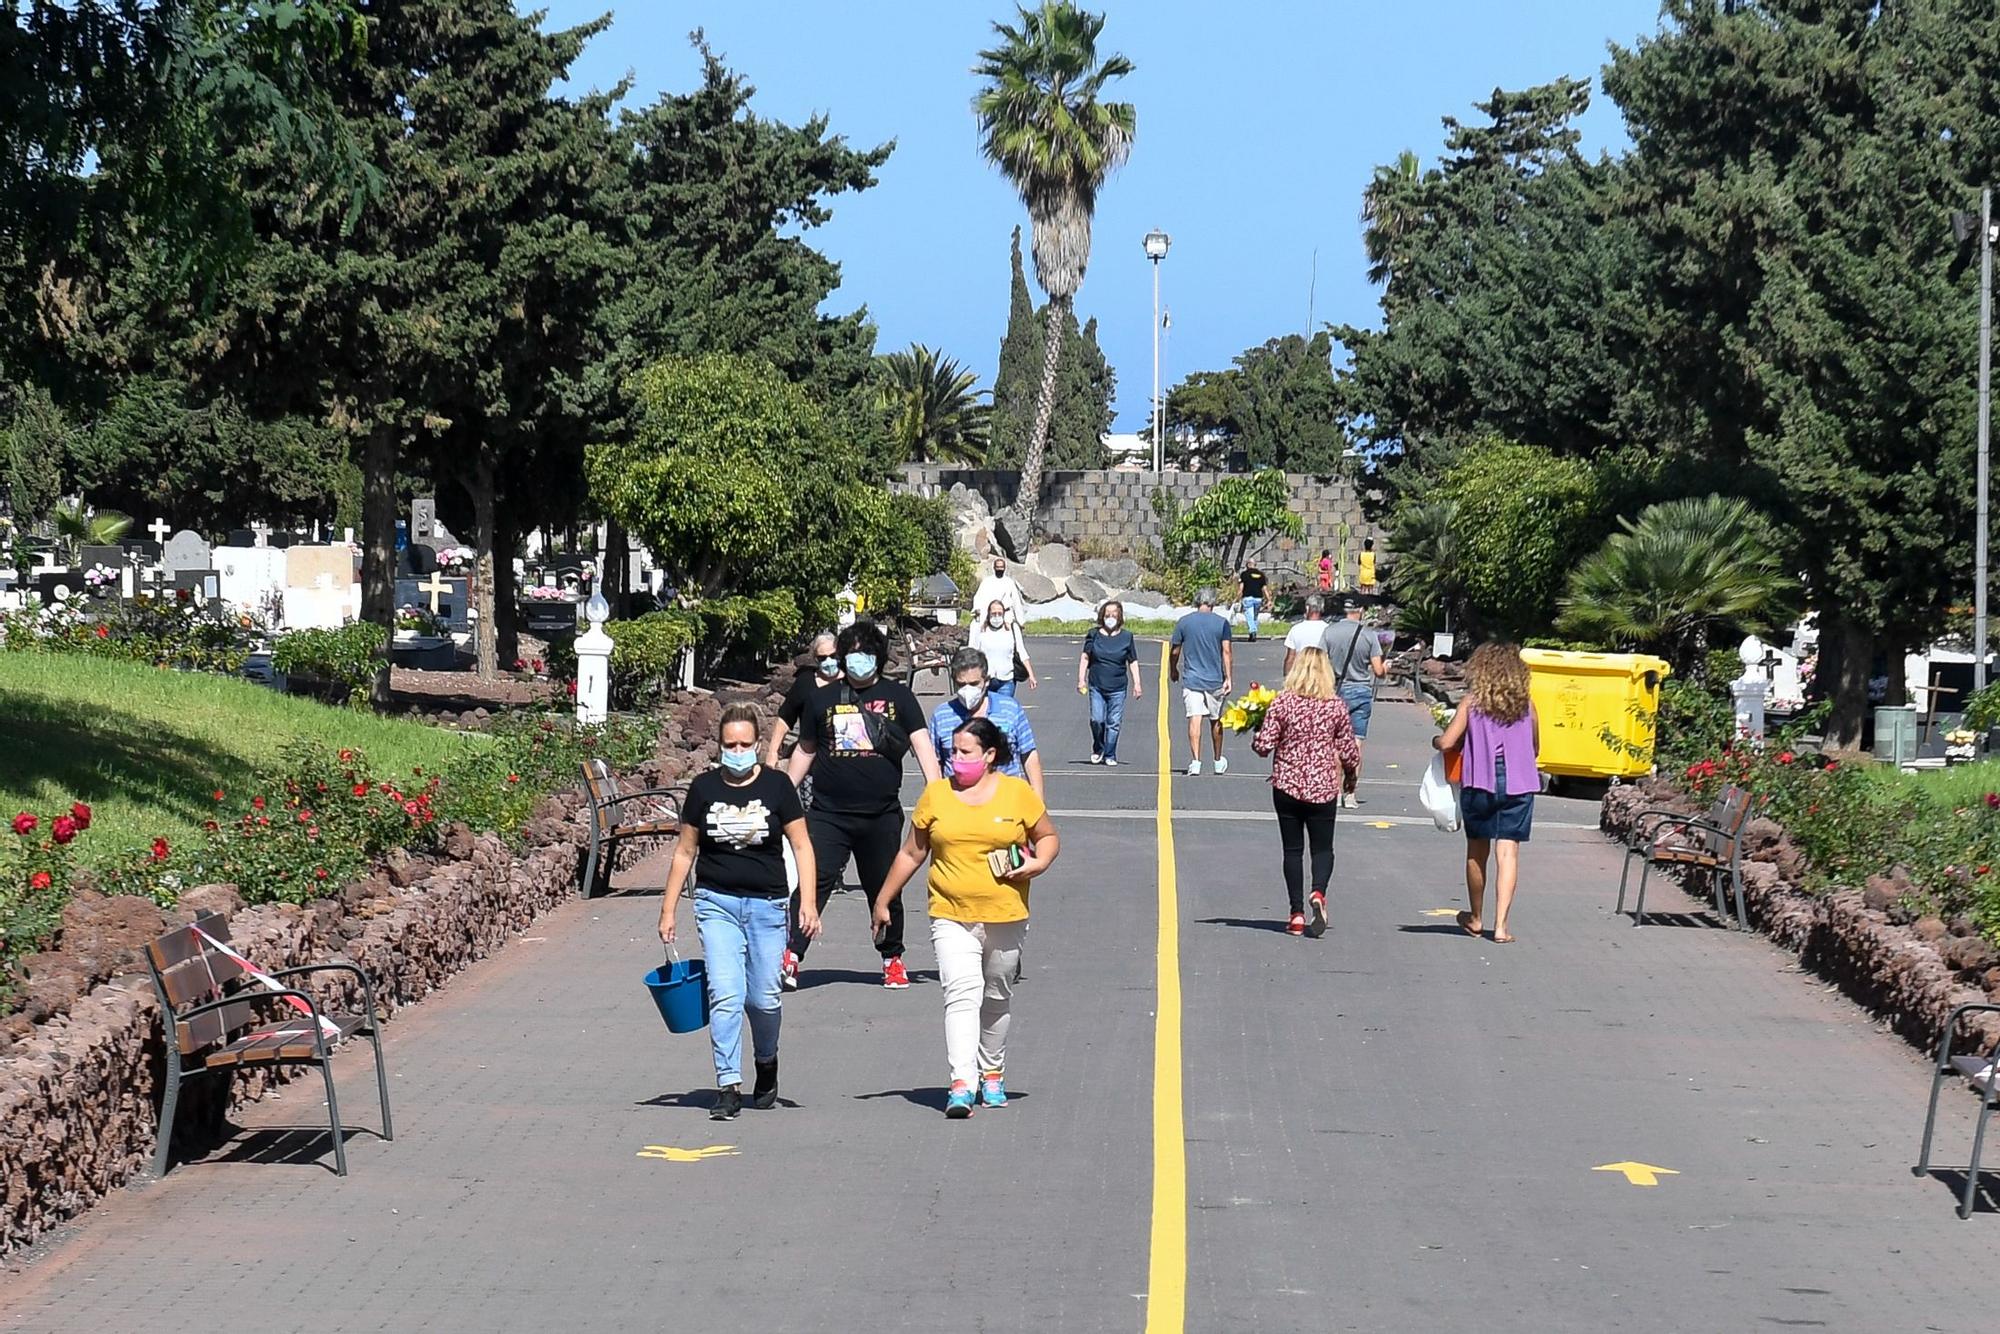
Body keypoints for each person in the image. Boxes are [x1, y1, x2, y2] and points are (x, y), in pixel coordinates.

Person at [874, 717, 1060, 1118]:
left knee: (996, 995)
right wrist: (883, 898)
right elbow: (912, 852)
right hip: (950, 913)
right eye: (952, 752)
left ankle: (992, 1071)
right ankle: (962, 1082)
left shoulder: (1017, 794)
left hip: (1005, 913)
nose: (956, 760)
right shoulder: (936, 796)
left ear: (990, 756)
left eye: (965, 752)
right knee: (961, 993)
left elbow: (1047, 837)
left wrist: (1037, 864)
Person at [660, 704, 820, 1120]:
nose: (737, 750)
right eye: (729, 744)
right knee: (726, 996)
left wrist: (808, 902)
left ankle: (766, 1062)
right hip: (717, 903)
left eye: (745, 744)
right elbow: (684, 852)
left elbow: (802, 846)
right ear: (719, 746)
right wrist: (669, 909)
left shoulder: (778, 787)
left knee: (764, 998)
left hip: (768, 905)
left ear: (757, 744)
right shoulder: (704, 789)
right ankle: (728, 1084)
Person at [786, 619, 940, 989]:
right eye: (852, 653)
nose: (858, 660)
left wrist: (939, 795)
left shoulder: (899, 697)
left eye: (866, 653)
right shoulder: (821, 699)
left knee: (885, 886)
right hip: (827, 813)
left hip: (881, 814)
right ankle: (790, 954)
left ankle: (892, 957)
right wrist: (778, 793)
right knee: (813, 882)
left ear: (879, 657)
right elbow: (806, 749)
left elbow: (922, 746)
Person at [1433, 642, 1540, 944]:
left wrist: (1437, 741)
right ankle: (1502, 926)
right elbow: (1535, 747)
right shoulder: (1527, 705)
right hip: (1519, 782)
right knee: (1508, 853)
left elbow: (1447, 742)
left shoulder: (1472, 702)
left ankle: (1476, 917)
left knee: (1477, 851)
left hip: (1480, 780)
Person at [1251, 647, 1361, 937]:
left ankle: (1296, 913)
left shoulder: (1282, 703)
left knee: (1292, 850)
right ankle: (1319, 892)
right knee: (1323, 849)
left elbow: (1264, 746)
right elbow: (1350, 752)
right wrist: (1350, 778)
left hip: (1287, 784)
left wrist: (1257, 733)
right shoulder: (1336, 706)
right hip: (1322, 786)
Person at [928, 647, 1045, 798]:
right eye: (961, 684)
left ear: (987, 681)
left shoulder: (1010, 709)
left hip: (1006, 800)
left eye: (974, 683)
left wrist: (1037, 801)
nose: (967, 690)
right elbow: (934, 763)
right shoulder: (941, 715)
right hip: (958, 801)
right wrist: (936, 800)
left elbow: (1028, 754)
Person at [1318, 598, 1387, 807]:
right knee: (1356, 743)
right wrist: (1387, 668)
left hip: (1335, 691)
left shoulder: (1329, 632)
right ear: (1361, 611)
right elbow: (1378, 671)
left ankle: (1335, 792)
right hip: (1360, 690)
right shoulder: (1369, 635)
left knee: (1335, 744)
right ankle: (1351, 794)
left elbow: (1319, 663)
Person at [1168, 588, 1233, 776]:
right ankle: (1218, 760)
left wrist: (1173, 669)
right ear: (1213, 602)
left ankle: (1195, 761)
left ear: (1197, 601)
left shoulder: (1184, 622)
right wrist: (1228, 677)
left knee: (1194, 718)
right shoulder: (1222, 623)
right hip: (1214, 679)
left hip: (1192, 679)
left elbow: (1175, 651)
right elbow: (1226, 652)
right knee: (1215, 720)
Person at [1079, 599, 1143, 765]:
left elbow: (1133, 661)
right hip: (1096, 685)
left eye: (1114, 614)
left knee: (1113, 722)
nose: (1111, 617)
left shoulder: (1127, 637)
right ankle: (1098, 747)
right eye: (1107, 614)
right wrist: (1081, 680)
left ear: (1120, 616)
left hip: (1118, 687)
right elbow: (1085, 657)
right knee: (1097, 719)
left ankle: (1110, 754)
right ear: (1102, 616)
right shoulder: (1093, 634)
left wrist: (1137, 683)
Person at [765, 631, 840, 768]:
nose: (829, 661)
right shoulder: (805, 682)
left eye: (833, 656)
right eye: (822, 658)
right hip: (807, 757)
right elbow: (785, 718)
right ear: (815, 659)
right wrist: (772, 752)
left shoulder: (851, 682)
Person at [968, 598, 1037, 696]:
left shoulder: (1012, 629)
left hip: (1006, 680)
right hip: (985, 680)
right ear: (988, 614)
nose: (996, 617)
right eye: (994, 613)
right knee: (987, 709)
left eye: (999, 614)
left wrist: (1031, 675)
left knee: (1005, 709)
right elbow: (972, 653)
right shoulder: (980, 630)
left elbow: (1022, 652)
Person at [969, 557, 1025, 629]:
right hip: (989, 614)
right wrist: (977, 610)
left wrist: (1021, 621)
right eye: (998, 567)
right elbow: (978, 597)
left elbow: (1016, 601)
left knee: (1012, 630)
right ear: (994, 568)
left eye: (1001, 567)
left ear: (1004, 568)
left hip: (1006, 615)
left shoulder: (1009, 582)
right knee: (975, 627)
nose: (999, 569)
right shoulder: (987, 582)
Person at [1283, 595, 1329, 676]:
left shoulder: (1296, 629)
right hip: (1321, 675)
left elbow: (1290, 658)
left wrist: (1287, 679)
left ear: (1307, 608)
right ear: (1322, 609)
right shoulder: (1328, 629)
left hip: (1301, 675)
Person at [1237, 559, 1270, 642]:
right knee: (1254, 617)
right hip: (1258, 598)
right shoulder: (1261, 575)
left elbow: (1241, 588)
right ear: (1255, 564)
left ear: (1248, 565)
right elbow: (1265, 589)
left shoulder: (1244, 574)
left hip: (1247, 598)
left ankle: (1253, 631)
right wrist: (1269, 599)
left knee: (1249, 616)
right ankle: (1253, 633)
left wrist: (1237, 598)